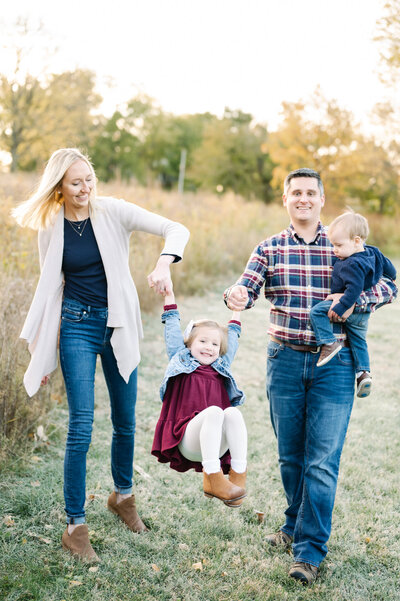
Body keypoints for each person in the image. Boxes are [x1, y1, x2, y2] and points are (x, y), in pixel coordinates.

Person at [12, 148, 190, 562]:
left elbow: (175, 228)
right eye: (76, 183)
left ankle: (123, 497)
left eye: (89, 179)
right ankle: (75, 526)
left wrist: (164, 263)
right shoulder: (50, 225)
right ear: (59, 186)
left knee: (125, 420)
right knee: (81, 425)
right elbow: (50, 289)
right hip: (75, 324)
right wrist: (43, 354)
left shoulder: (113, 211)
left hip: (119, 325)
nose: (85, 189)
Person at [224, 168, 397, 584]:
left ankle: (309, 550)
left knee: (322, 461)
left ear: (321, 199)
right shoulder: (269, 248)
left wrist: (359, 302)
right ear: (286, 200)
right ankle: (292, 525)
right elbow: (246, 288)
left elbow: (390, 284)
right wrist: (238, 295)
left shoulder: (345, 244)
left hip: (334, 364)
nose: (303, 198)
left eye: (310, 193)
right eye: (295, 192)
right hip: (283, 359)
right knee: (290, 456)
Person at [151, 289, 248, 507]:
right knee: (214, 411)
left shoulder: (221, 366)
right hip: (186, 438)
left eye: (215, 344)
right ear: (189, 344)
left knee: (232, 413)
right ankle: (212, 476)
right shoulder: (181, 359)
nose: (209, 347)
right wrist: (169, 297)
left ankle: (237, 475)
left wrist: (237, 312)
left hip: (216, 444)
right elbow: (173, 328)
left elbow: (232, 337)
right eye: (203, 341)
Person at [310, 210, 397, 397]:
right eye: (333, 245)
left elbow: (354, 289)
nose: (335, 250)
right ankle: (363, 374)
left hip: (347, 303)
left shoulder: (351, 264)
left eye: (339, 245)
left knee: (317, 312)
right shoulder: (373, 251)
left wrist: (341, 307)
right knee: (358, 341)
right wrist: (392, 277)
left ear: (357, 241)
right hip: (363, 314)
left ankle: (328, 343)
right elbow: (390, 268)